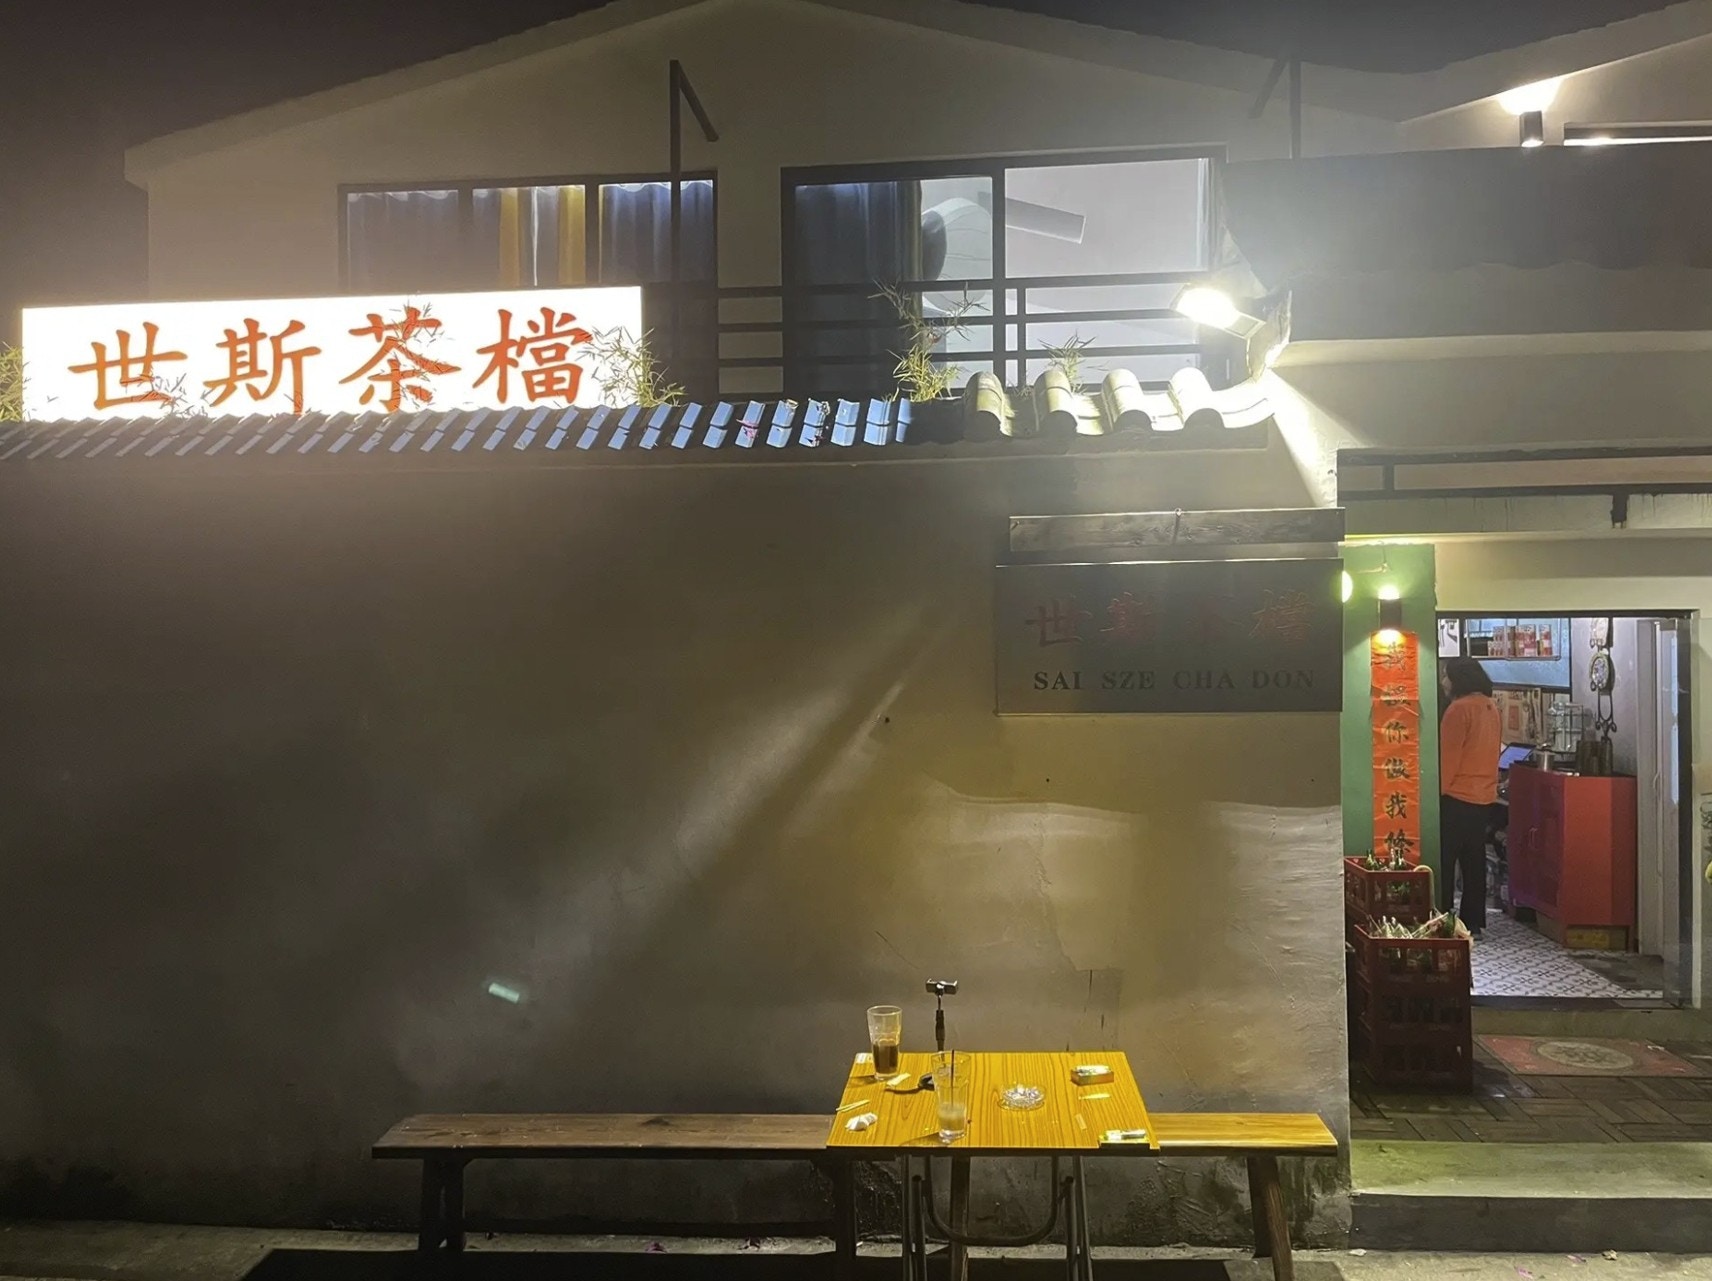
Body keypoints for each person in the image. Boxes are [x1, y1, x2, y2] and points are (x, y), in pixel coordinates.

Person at [1439, 657, 1501, 936]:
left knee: (1446, 861)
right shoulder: (1490, 707)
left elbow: (1448, 758)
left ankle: (1443, 918)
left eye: (1446, 676)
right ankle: (1472, 922)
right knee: (1474, 861)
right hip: (1483, 797)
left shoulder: (1458, 709)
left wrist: (1437, 793)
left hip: (1456, 795)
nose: (1443, 682)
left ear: (1458, 679)